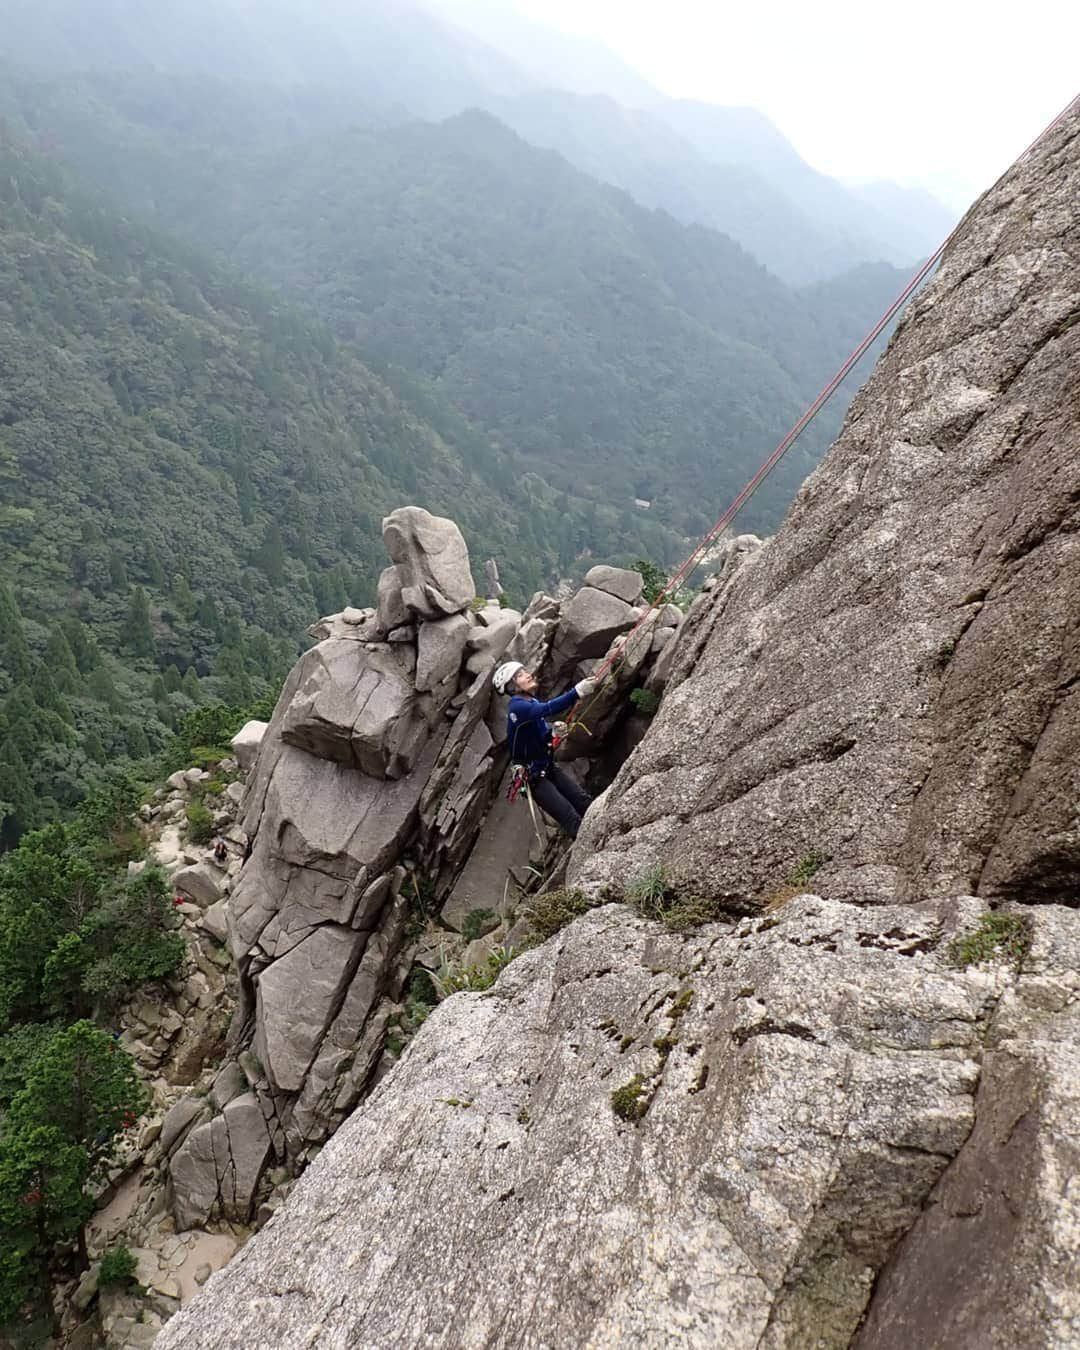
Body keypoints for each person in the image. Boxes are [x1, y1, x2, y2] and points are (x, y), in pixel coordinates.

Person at [494, 661, 599, 839]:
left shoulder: (530, 701)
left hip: (546, 766)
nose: (528, 674)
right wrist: (577, 692)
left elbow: (540, 738)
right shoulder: (517, 707)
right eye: (520, 675)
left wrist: (552, 733)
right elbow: (548, 708)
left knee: (584, 801)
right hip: (534, 778)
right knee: (570, 818)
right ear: (512, 686)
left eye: (525, 671)